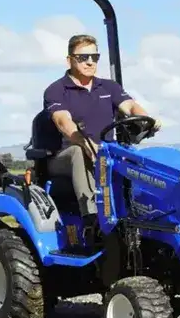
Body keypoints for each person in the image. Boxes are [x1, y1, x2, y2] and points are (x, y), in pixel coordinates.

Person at [41, 33, 161, 232]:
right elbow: (63, 122)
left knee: (136, 157)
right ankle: (93, 218)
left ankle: (147, 213)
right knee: (80, 152)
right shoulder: (56, 90)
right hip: (66, 155)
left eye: (94, 57)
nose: (90, 62)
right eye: (83, 57)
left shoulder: (108, 87)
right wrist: (86, 143)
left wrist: (147, 119)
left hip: (106, 152)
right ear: (69, 60)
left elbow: (130, 107)